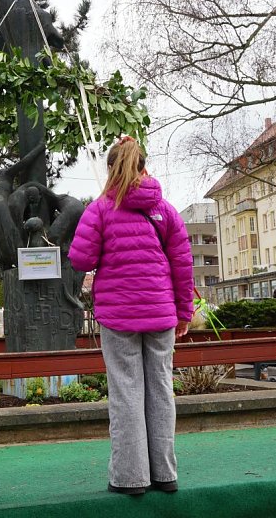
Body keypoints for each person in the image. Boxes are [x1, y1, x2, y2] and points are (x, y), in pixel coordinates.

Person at [68, 136, 193, 496]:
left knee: (126, 393)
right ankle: (165, 474)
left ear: (110, 168)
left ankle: (130, 477)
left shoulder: (100, 209)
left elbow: (81, 260)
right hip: (160, 312)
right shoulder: (164, 209)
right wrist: (183, 312)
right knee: (161, 390)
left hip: (118, 314)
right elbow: (183, 265)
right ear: (143, 166)